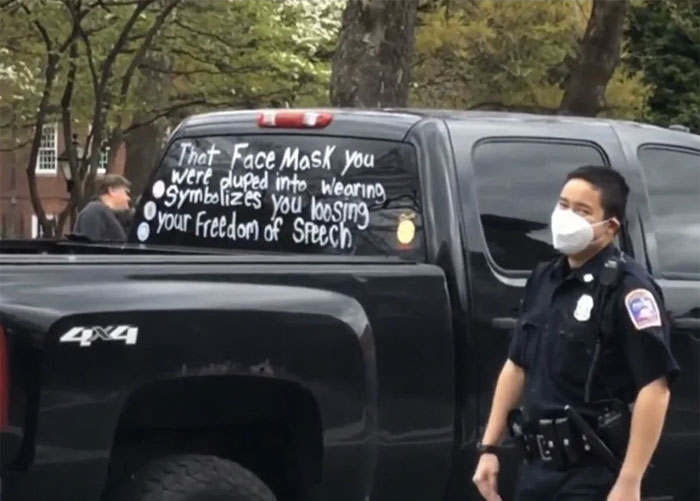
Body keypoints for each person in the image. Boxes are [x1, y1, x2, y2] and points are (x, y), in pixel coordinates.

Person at [472, 166, 679, 501]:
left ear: (610, 227)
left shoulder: (628, 289)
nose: (567, 217)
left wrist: (630, 481)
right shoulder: (544, 278)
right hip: (537, 470)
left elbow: (655, 388)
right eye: (563, 205)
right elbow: (516, 365)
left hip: (593, 473)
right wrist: (489, 447)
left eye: (583, 211)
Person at [73, 174, 132, 242]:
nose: (129, 198)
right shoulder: (95, 210)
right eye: (126, 193)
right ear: (112, 191)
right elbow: (91, 246)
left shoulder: (100, 212)